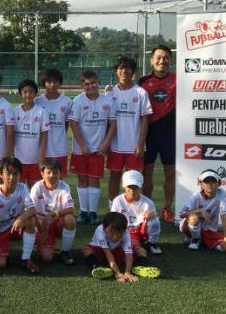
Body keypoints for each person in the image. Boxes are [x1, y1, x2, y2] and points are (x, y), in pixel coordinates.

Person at [68, 70, 116, 225]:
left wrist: (106, 143)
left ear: (99, 82)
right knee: (82, 179)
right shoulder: (78, 101)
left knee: (94, 180)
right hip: (81, 150)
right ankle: (83, 212)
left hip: (98, 149)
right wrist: (82, 146)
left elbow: (113, 124)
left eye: (93, 83)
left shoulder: (107, 100)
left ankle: (93, 213)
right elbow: (73, 124)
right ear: (82, 86)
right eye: (87, 84)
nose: (90, 86)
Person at [106, 57, 152, 208]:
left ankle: (134, 209)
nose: (124, 71)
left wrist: (140, 143)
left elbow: (145, 120)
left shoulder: (141, 92)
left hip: (134, 146)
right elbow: (106, 120)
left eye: (127, 68)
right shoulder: (110, 93)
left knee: (135, 179)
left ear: (132, 71)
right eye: (120, 68)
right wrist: (106, 142)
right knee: (114, 176)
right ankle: (113, 208)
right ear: (116, 71)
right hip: (115, 145)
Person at [138, 45, 176, 223]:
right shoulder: (142, 82)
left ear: (170, 59)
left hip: (171, 135)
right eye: (158, 58)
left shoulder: (178, 79)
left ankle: (168, 207)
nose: (162, 61)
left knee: (170, 173)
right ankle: (148, 207)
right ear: (152, 60)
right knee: (147, 173)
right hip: (149, 135)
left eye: (166, 57)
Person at [0, 157, 39, 274]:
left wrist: (20, 218)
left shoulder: (22, 188)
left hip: (16, 228)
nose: (12, 178)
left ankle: (26, 259)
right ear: (1, 175)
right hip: (0, 232)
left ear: (20, 175)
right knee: (0, 264)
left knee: (31, 220)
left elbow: (32, 209)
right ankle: (3, 252)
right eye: (8, 174)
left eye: (15, 174)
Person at [82, 212, 159, 281]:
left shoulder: (126, 234)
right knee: (86, 250)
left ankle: (139, 267)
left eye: (119, 234)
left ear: (125, 230)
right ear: (104, 229)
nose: (115, 237)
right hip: (102, 250)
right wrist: (117, 273)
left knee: (142, 251)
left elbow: (128, 255)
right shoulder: (100, 231)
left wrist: (127, 272)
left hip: (117, 250)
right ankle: (98, 267)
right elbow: (108, 253)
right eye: (112, 233)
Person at [30, 158, 76, 266]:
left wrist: (51, 215)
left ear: (60, 174)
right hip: (41, 224)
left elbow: (71, 209)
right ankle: (43, 245)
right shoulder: (37, 187)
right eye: (48, 172)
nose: (52, 175)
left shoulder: (64, 187)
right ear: (42, 173)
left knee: (70, 219)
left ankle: (64, 252)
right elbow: (31, 211)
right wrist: (41, 232)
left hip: (56, 222)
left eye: (55, 172)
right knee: (47, 259)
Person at [179, 169, 226, 252]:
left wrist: (225, 236)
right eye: (206, 182)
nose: (210, 184)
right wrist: (200, 211)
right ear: (201, 184)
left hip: (209, 230)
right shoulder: (195, 196)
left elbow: (224, 215)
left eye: (213, 181)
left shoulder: (221, 193)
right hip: (189, 226)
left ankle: (201, 240)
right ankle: (195, 239)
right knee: (193, 217)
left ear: (219, 183)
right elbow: (182, 214)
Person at [111, 170, 162, 256]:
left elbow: (154, 215)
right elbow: (112, 218)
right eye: (129, 187)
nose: (132, 190)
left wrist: (150, 214)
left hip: (141, 230)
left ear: (141, 188)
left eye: (135, 187)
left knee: (154, 221)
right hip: (124, 231)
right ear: (124, 187)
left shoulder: (148, 202)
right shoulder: (118, 200)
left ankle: (150, 243)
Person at [35, 68, 72, 178]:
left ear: (60, 83)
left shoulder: (67, 101)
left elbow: (66, 124)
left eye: (55, 81)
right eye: (49, 81)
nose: (52, 84)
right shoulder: (37, 102)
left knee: (58, 179)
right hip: (41, 150)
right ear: (44, 83)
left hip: (59, 149)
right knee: (41, 181)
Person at [13, 79, 49, 187]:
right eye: (25, 92)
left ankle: (34, 205)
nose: (28, 95)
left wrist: (41, 157)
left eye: (31, 92)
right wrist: (11, 154)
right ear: (20, 94)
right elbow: (11, 135)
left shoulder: (41, 111)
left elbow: (44, 136)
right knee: (18, 188)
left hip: (35, 159)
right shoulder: (15, 111)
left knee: (35, 189)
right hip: (19, 159)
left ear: (35, 93)